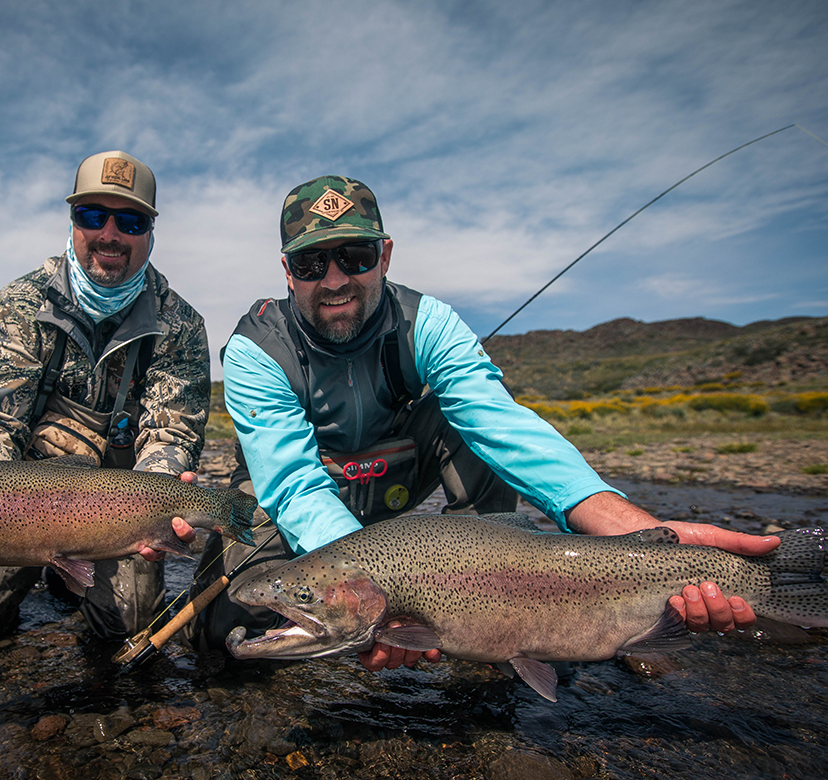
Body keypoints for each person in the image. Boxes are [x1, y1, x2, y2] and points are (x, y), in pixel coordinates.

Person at [196, 174, 780, 670]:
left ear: (386, 256)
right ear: (287, 271)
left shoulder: (429, 322)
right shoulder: (255, 350)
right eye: (311, 262)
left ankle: (493, 625)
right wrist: (364, 594)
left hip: (396, 499)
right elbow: (293, 485)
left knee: (467, 423)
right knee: (224, 639)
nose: (334, 280)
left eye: (356, 256)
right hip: (306, 510)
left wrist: (641, 537)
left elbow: (502, 428)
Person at [0, 150, 207, 651]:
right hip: (18, 499)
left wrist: (159, 498)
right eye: (93, 215)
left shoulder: (179, 325)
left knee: (131, 627)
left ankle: (69, 575)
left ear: (150, 232)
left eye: (130, 221)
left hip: (118, 500)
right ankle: (48, 571)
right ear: (72, 221)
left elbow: (171, 432)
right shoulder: (20, 305)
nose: (110, 234)